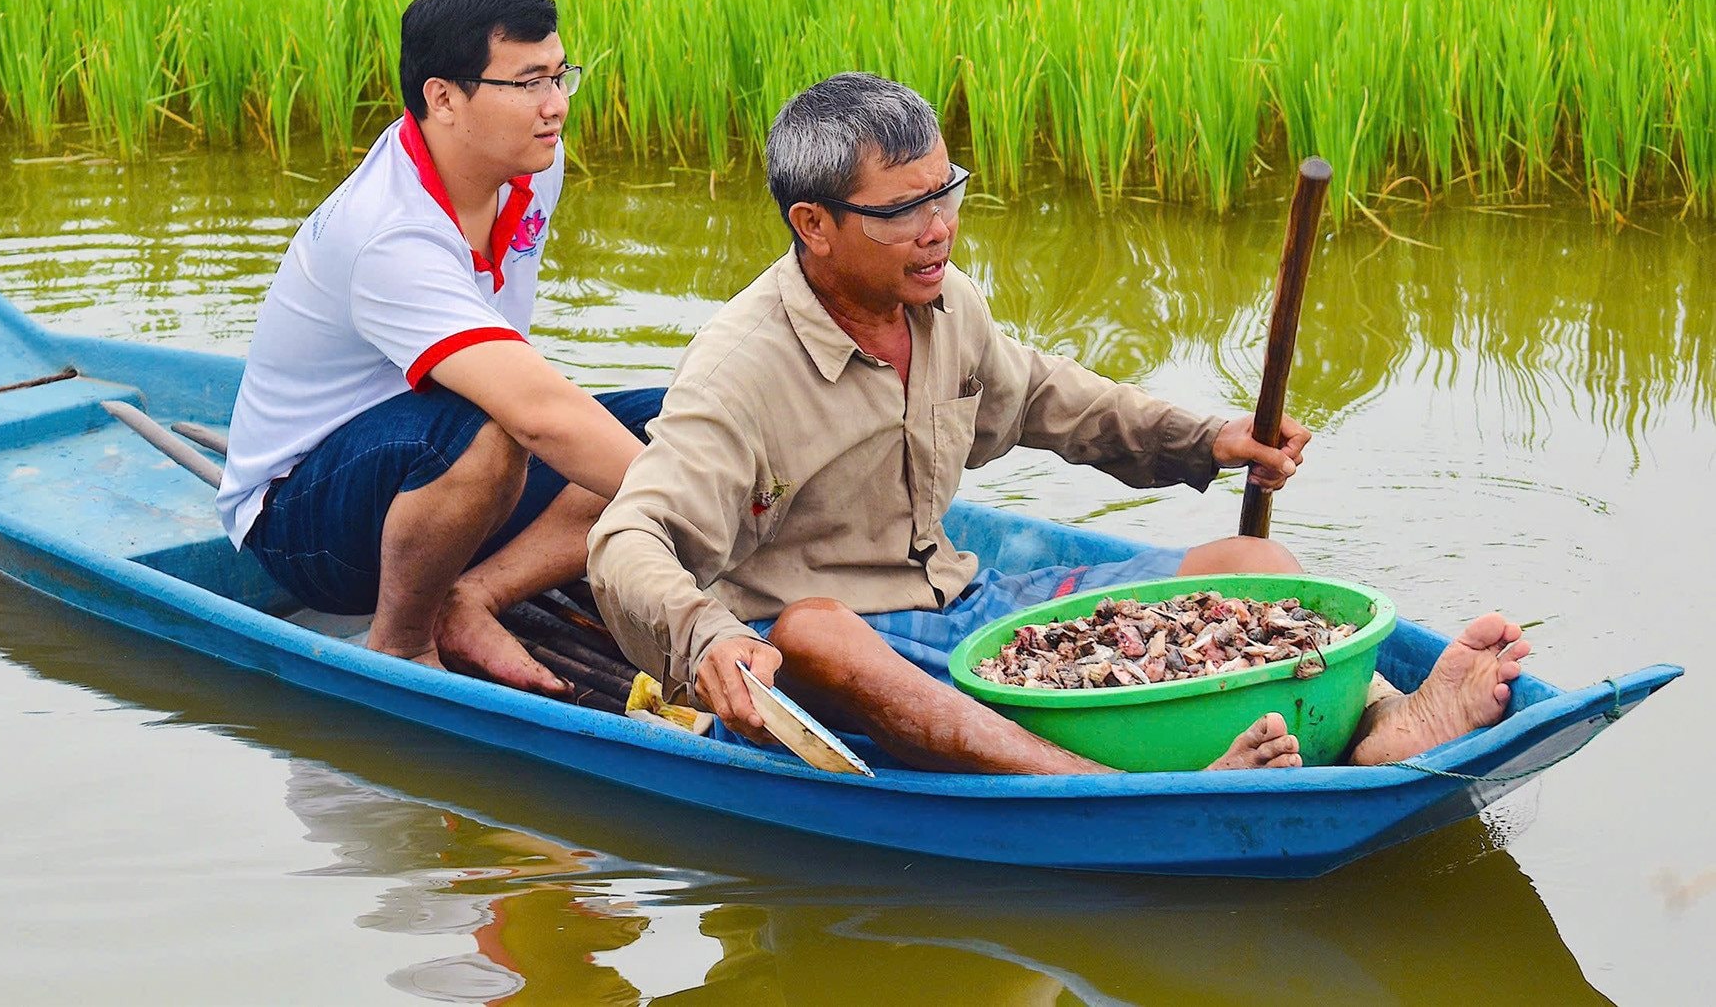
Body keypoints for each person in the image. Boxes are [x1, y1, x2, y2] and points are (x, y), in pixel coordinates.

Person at [587, 73, 1531, 774]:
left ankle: (1382, 722)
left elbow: (1046, 398)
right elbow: (627, 538)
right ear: (814, 224)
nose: (939, 228)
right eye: (904, 210)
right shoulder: (739, 366)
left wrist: (1204, 439)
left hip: (968, 602)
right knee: (813, 631)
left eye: (945, 192)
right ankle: (1093, 788)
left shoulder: (943, 301)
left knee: (1258, 571)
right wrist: (705, 639)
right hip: (851, 656)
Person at [219, 0, 660, 693]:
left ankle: (473, 596)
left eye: (560, 77)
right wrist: (689, 511)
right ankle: (402, 643)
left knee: (681, 424)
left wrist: (697, 471)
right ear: (443, 97)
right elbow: (539, 412)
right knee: (496, 423)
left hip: (451, 482)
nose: (555, 107)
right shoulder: (389, 233)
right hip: (313, 525)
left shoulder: (527, 165)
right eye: (528, 84)